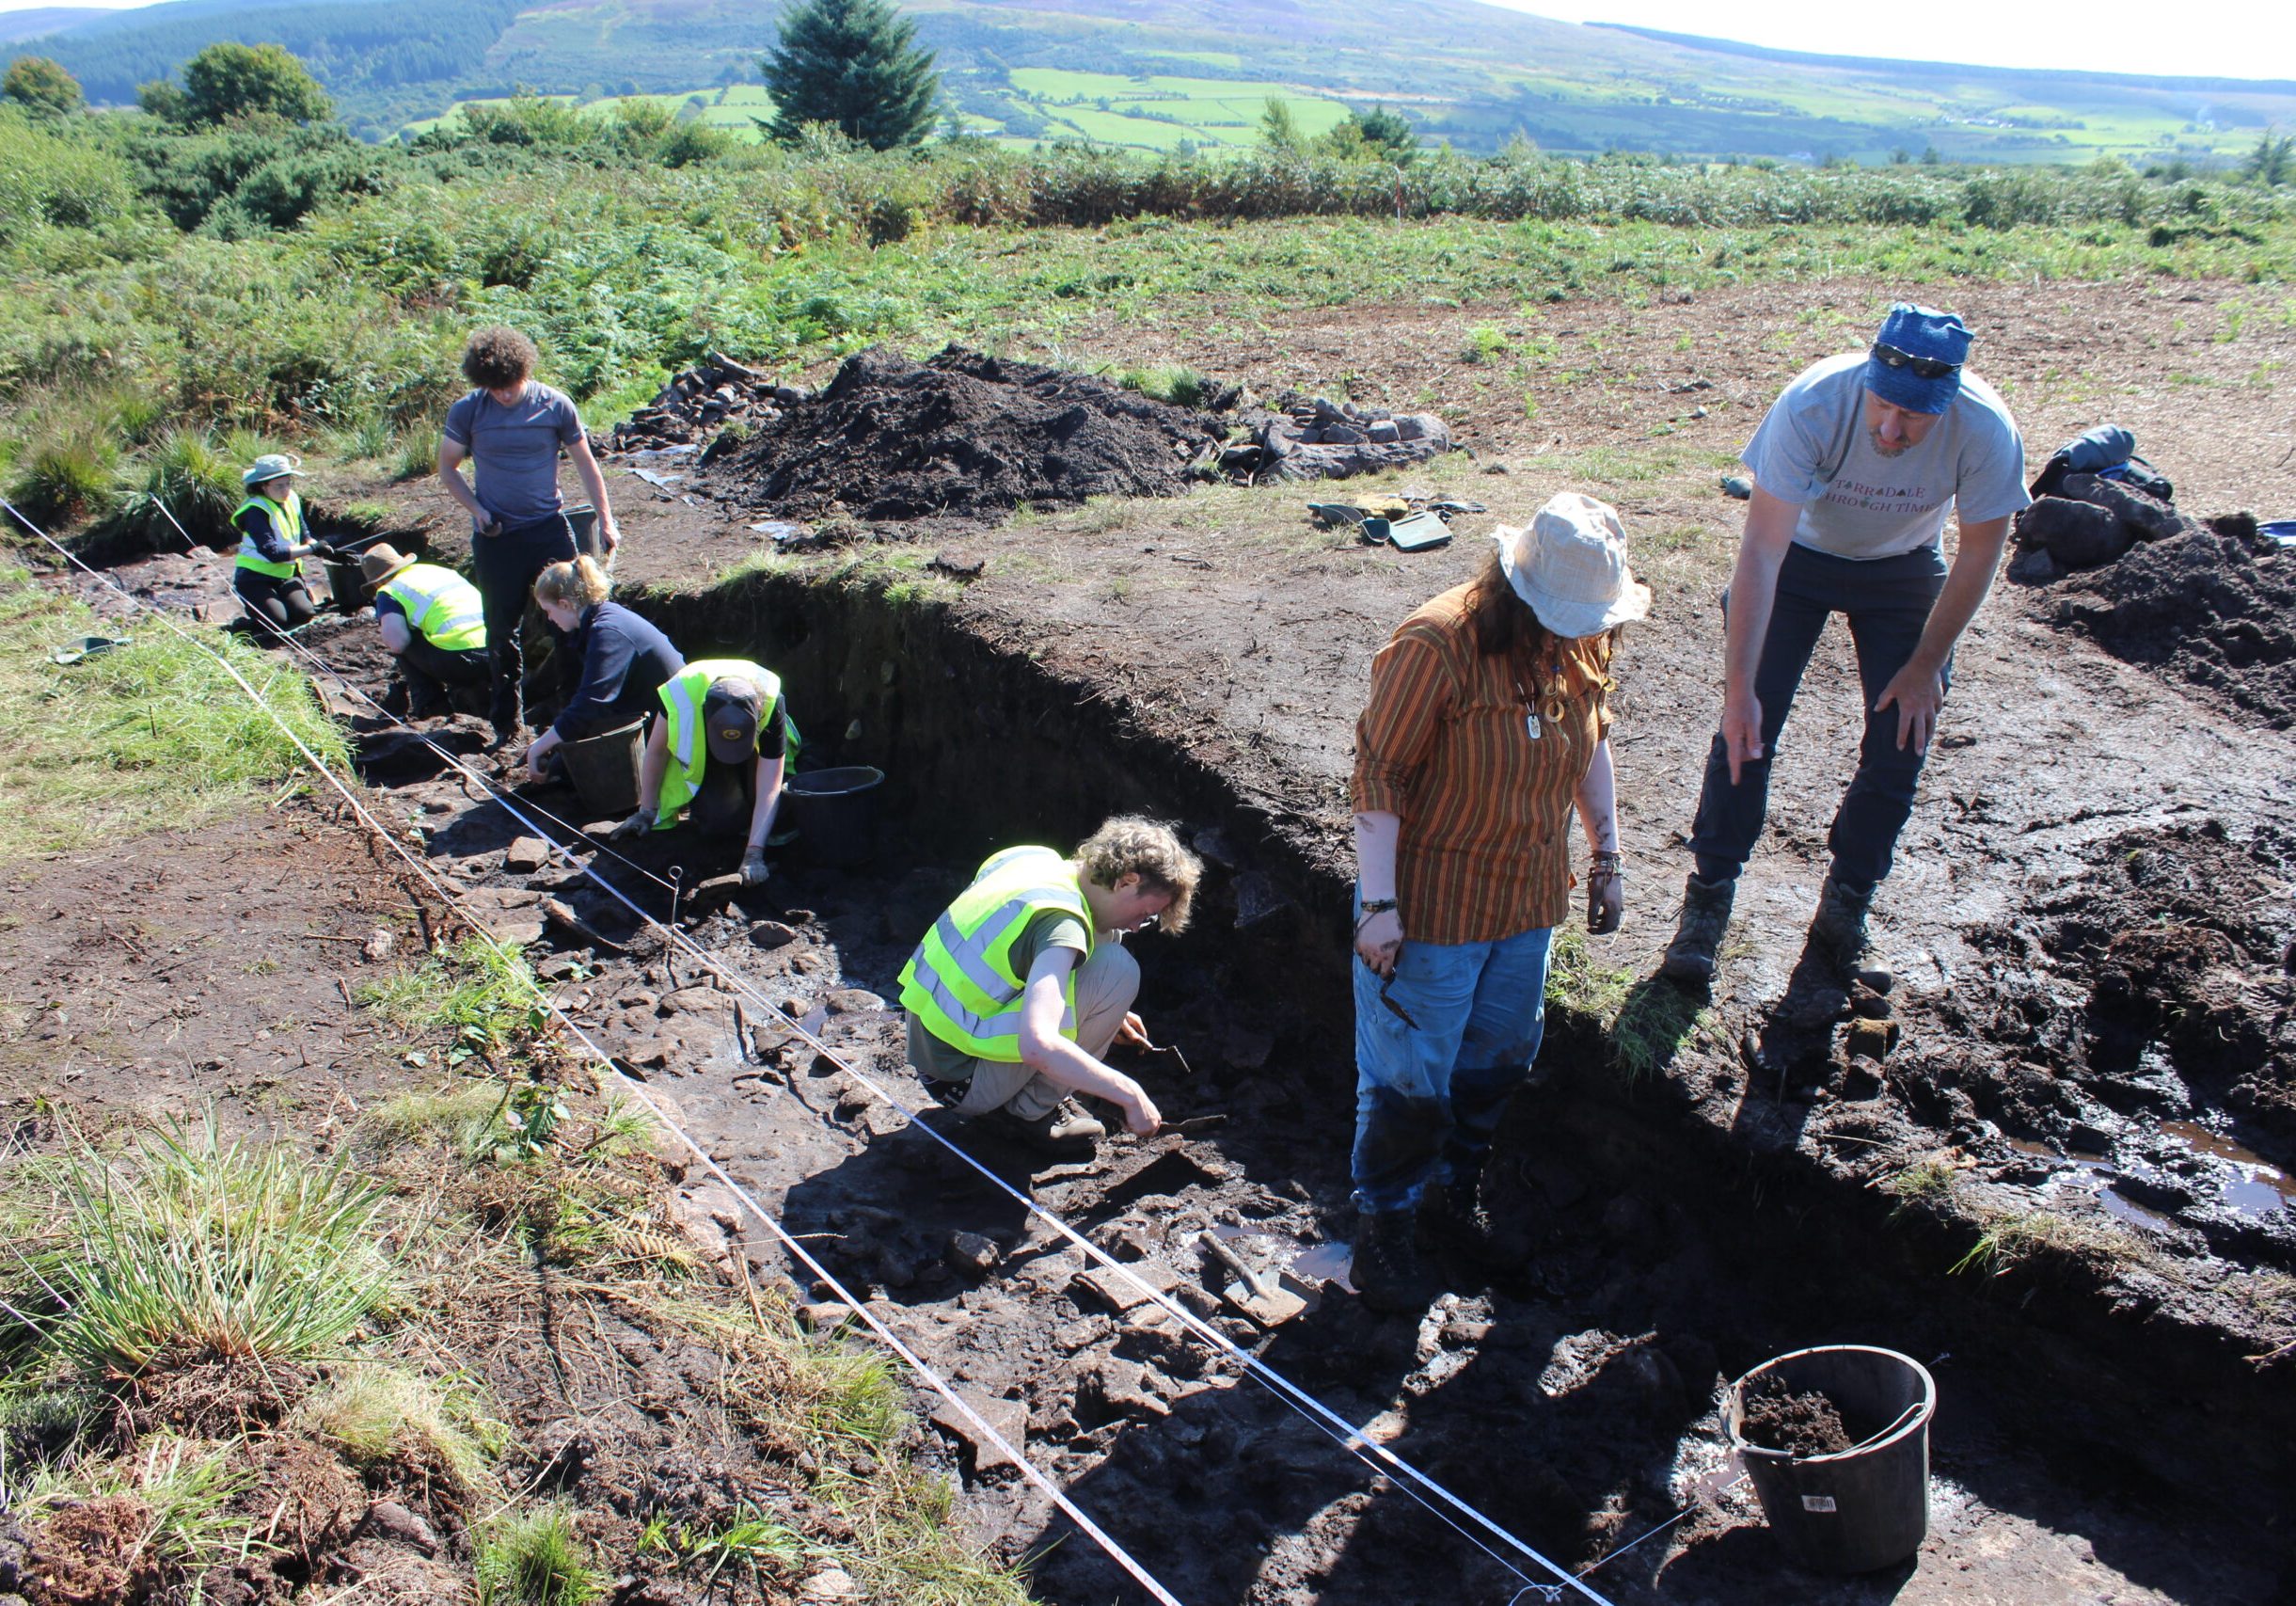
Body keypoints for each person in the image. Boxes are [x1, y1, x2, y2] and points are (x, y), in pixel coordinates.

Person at [1660, 304, 2029, 992]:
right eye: (1883, 406)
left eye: (1913, 417)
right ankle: (1707, 898)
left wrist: (1923, 665)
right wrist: (1737, 688)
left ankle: (1845, 906)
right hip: (1797, 558)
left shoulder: (1984, 428)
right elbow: (1761, 550)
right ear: (1867, 376)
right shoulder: (1814, 402)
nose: (1891, 429)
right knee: (1747, 725)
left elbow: (1980, 554)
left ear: (1946, 399)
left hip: (1902, 566)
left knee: (1902, 734)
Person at [1349, 493, 1644, 1314]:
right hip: (1431, 908)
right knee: (1410, 1079)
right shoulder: (1436, 644)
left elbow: (1592, 742)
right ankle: (1386, 1236)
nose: (1574, 633)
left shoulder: (1582, 643)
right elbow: (1379, 774)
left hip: (1525, 896)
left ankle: (1453, 1193)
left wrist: (1607, 852)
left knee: (1501, 1055)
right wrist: (1378, 903)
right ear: (1518, 592)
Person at [898, 818, 1201, 1157]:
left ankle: (1017, 1100)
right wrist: (1130, 1093)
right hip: (962, 1083)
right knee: (1117, 970)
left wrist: (1103, 1011)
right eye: (1145, 913)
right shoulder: (1061, 924)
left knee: (1106, 944)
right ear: (1127, 882)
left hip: (933, 1047)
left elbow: (1001, 957)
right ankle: (1028, 1113)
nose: (1137, 925)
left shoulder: (1032, 861)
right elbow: (1038, 1045)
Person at [437, 326, 622, 749]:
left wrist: (606, 520)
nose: (502, 395)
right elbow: (448, 469)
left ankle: (576, 712)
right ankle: (508, 724)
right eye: (494, 388)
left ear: (525, 370)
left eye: (509, 386)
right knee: (501, 630)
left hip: (548, 531)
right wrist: (479, 511)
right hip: (497, 538)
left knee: (574, 620)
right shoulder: (469, 410)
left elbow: (587, 466)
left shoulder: (554, 405)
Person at [610, 659, 796, 887]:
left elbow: (770, 784)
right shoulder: (681, 697)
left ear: (759, 710)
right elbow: (656, 752)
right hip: (709, 752)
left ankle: (754, 820)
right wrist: (646, 811)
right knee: (719, 825)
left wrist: (754, 854)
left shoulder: (770, 700)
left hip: (757, 749)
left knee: (781, 814)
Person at [522, 555, 685, 784]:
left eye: (548, 611)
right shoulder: (599, 620)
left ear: (564, 605)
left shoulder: (607, 632)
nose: (549, 619)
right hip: (648, 712)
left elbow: (591, 702)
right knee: (562, 763)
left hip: (673, 726)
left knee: (565, 773)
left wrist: (539, 747)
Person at [358, 543, 490, 719]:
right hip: (497, 650)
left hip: (461, 659)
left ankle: (431, 709)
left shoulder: (389, 590)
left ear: (378, 581)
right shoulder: (439, 571)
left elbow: (397, 643)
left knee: (403, 641)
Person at [230, 453, 324, 637]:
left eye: (288, 483)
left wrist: (316, 545)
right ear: (262, 486)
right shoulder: (255, 511)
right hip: (254, 578)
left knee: (304, 614)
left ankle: (282, 600)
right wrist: (313, 549)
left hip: (286, 574)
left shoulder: (292, 499)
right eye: (279, 486)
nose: (285, 490)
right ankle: (251, 616)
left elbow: (303, 532)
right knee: (278, 622)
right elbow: (272, 552)